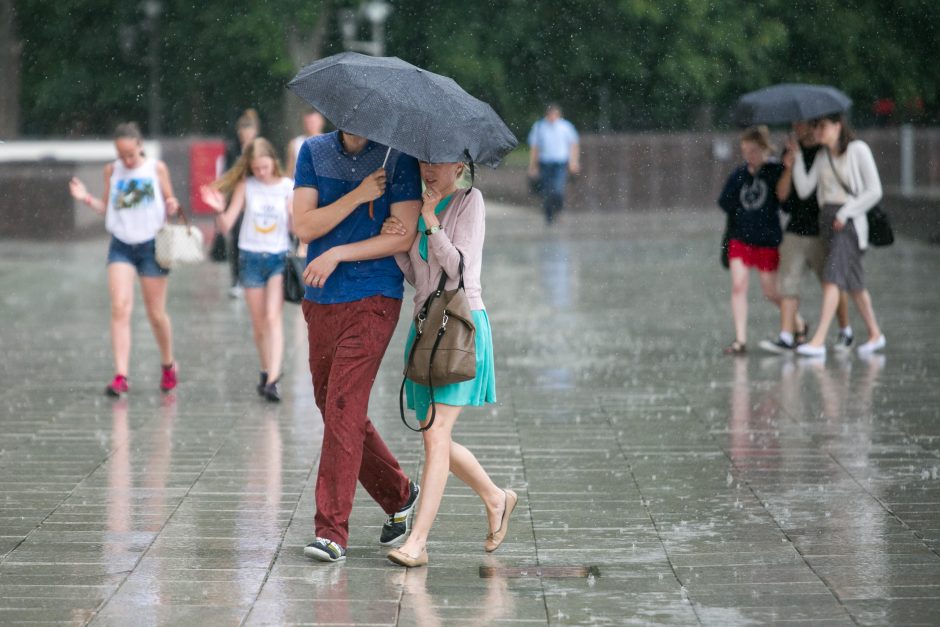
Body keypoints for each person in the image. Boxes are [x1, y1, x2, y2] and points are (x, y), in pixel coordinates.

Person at [292, 130, 423, 563]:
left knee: (344, 405)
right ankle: (400, 493)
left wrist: (338, 253)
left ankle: (331, 531)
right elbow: (304, 225)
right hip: (321, 298)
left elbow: (401, 237)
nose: (354, 124)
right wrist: (359, 195)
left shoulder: (397, 157)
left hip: (374, 297)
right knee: (331, 405)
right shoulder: (313, 152)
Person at [378, 161, 510, 569]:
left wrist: (432, 222)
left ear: (459, 165)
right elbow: (421, 277)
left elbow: (458, 269)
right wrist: (399, 242)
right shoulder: (418, 202)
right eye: (424, 162)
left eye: (438, 163)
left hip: (460, 328)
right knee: (434, 436)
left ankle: (417, 542)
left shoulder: (470, 202)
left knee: (435, 435)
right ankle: (496, 498)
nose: (429, 170)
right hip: (425, 331)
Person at [68, 122, 179, 396]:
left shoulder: (156, 168)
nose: (126, 160)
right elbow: (108, 208)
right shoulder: (112, 170)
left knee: (156, 314)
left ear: (140, 146)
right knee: (119, 307)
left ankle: (168, 364)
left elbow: (170, 202)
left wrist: (173, 205)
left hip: (152, 245)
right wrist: (85, 199)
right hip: (121, 245)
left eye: (130, 154)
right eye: (121, 155)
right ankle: (121, 375)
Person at [200, 138, 294, 402]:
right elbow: (226, 225)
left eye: (264, 167)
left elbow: (297, 230)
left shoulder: (288, 186)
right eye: (256, 168)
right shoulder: (246, 185)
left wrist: (292, 213)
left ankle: (274, 380)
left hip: (277, 257)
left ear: (273, 162)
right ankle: (266, 370)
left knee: (274, 318)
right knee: (259, 324)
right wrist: (219, 209)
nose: (261, 173)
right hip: (250, 258)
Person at [790, 113, 886, 358]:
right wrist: (798, 157)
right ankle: (875, 333)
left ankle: (819, 339)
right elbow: (804, 189)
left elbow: (874, 190)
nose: (818, 132)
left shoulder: (857, 150)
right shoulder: (823, 155)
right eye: (815, 126)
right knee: (855, 284)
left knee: (832, 279)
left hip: (849, 223)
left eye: (822, 126)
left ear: (838, 125)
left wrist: (846, 212)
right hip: (828, 222)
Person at [759, 121, 851, 354]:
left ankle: (845, 330)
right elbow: (783, 195)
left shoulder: (827, 152)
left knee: (831, 284)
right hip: (795, 229)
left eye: (802, 123)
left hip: (823, 228)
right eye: (794, 124)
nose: (797, 127)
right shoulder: (791, 151)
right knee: (788, 285)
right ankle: (786, 335)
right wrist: (790, 165)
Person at [717, 126, 786, 355]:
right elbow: (725, 202)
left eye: (754, 150)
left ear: (764, 149)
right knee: (738, 285)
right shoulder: (739, 174)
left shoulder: (776, 171)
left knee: (771, 292)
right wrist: (743, 180)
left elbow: (784, 201)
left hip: (766, 239)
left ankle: (796, 323)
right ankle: (740, 339)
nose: (749, 155)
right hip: (740, 237)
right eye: (745, 150)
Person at [225, 108, 262, 298]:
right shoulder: (232, 149)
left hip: (257, 202)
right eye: (242, 133)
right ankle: (237, 279)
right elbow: (228, 173)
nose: (245, 137)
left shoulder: (260, 150)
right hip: (237, 199)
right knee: (236, 240)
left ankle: (255, 277)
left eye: (248, 133)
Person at [527, 104, 580, 224]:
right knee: (546, 191)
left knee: (558, 189)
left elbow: (573, 145)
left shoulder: (566, 127)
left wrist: (573, 161)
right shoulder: (539, 127)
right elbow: (535, 148)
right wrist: (533, 165)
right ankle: (548, 215)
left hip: (560, 163)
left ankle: (558, 208)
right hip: (545, 163)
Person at [285, 109, 325, 180]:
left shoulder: (330, 142)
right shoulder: (295, 143)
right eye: (307, 123)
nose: (310, 126)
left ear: (321, 122)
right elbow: (289, 172)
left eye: (313, 122)